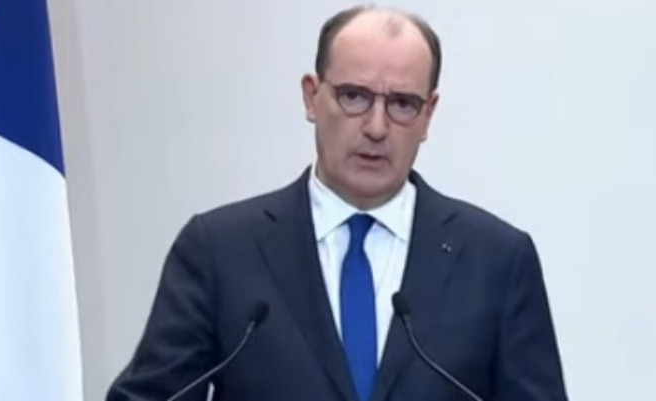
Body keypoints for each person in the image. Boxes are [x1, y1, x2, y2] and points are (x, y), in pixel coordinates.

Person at [106, 4, 568, 401]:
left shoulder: (497, 261)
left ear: (428, 115)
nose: (376, 127)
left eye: (402, 104)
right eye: (354, 96)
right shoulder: (220, 251)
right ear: (312, 97)